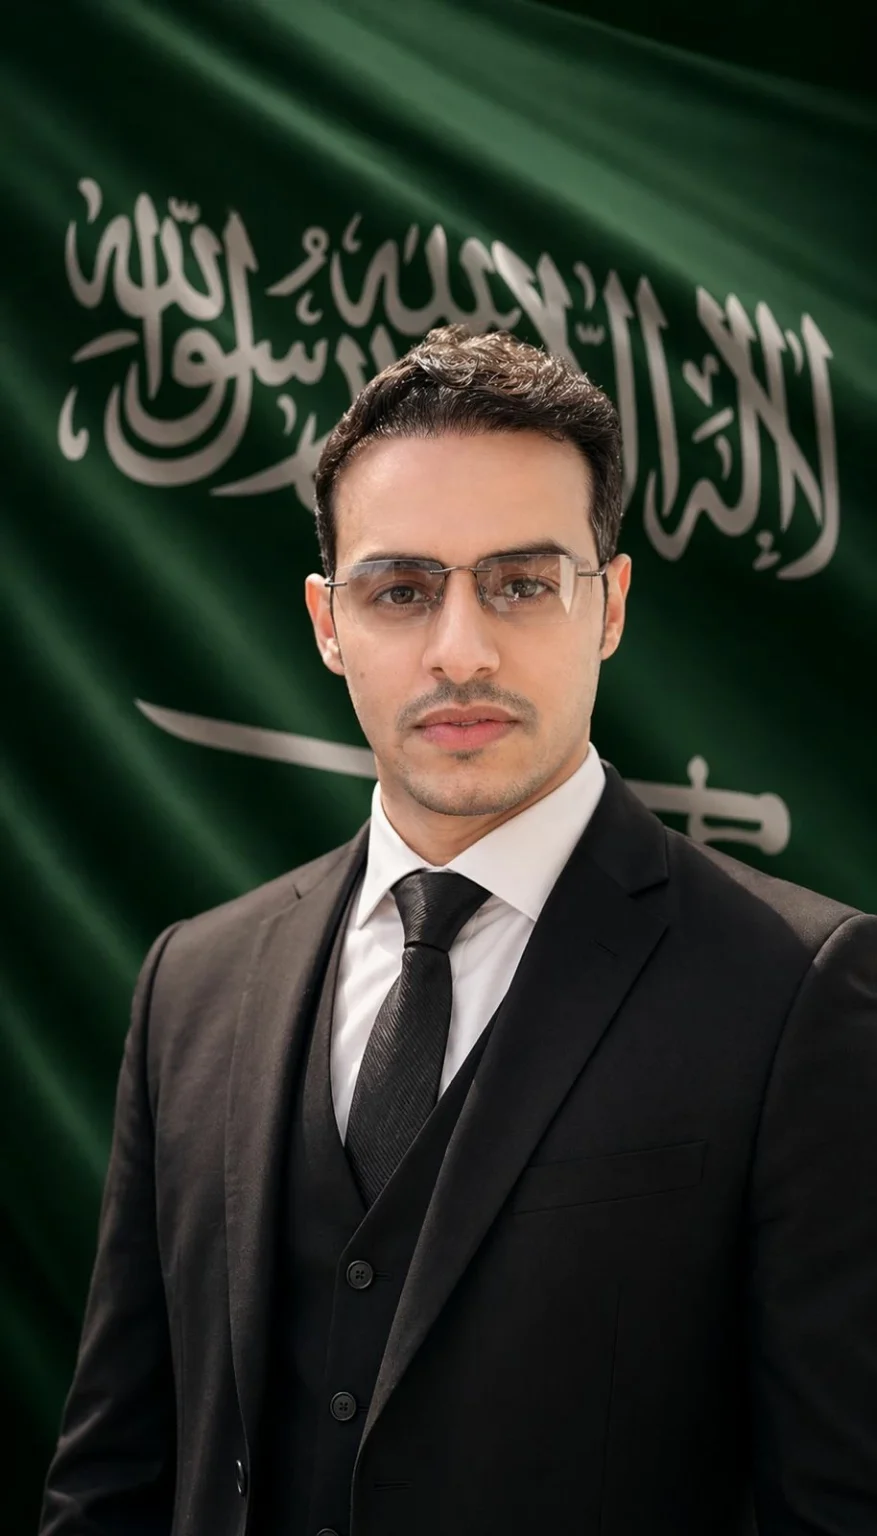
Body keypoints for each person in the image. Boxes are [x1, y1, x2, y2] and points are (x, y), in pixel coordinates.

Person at [40, 325, 877, 1536]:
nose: (461, 651)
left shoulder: (799, 992)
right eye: (402, 591)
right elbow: (113, 1474)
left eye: (521, 583)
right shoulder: (194, 982)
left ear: (609, 606)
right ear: (328, 623)